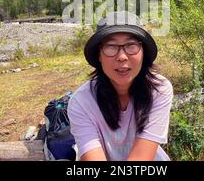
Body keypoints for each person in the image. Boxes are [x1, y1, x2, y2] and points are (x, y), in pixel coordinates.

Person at [67, 11, 173, 161]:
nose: (122, 56)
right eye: (111, 46)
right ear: (99, 55)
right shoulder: (81, 102)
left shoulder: (159, 90)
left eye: (131, 45)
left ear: (143, 52)